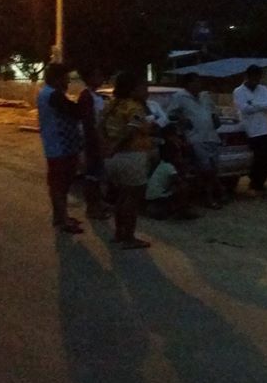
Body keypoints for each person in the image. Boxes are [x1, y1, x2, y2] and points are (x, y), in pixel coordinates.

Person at [101, 71, 153, 249]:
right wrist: (116, 146)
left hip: (112, 159)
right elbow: (131, 130)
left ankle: (119, 233)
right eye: (144, 87)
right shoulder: (134, 107)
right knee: (132, 199)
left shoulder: (111, 105)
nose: (147, 91)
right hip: (131, 156)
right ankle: (129, 237)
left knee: (121, 197)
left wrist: (107, 147)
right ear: (133, 90)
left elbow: (99, 127)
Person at [37, 63, 85, 234]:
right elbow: (75, 111)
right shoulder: (54, 95)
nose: (67, 82)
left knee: (59, 184)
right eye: (65, 78)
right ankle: (63, 220)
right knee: (60, 185)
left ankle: (60, 216)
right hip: (60, 146)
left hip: (58, 145)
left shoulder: (46, 93)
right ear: (57, 78)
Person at [168, 72, 223, 209]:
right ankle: (209, 198)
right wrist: (181, 119)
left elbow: (214, 112)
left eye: (199, 82)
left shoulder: (205, 96)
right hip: (195, 137)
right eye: (196, 82)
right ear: (188, 84)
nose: (199, 84)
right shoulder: (179, 97)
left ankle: (209, 194)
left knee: (213, 169)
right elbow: (170, 115)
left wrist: (215, 118)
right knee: (206, 169)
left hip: (211, 136)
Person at [233, 65, 267, 194]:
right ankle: (255, 184)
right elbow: (244, 109)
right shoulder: (239, 91)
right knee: (257, 159)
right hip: (250, 130)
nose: (256, 80)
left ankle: (259, 183)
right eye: (254, 77)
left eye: (258, 77)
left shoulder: (263, 89)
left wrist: (254, 104)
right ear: (247, 76)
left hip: (264, 129)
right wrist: (261, 106)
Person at [76, 66, 111, 220]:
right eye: (97, 76)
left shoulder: (96, 95)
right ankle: (92, 208)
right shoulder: (86, 96)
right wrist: (97, 141)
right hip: (92, 141)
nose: (101, 79)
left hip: (97, 138)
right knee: (92, 176)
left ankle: (98, 204)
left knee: (97, 175)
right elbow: (89, 123)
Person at [145, 134, 197, 221]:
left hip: (152, 193)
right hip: (158, 195)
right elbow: (179, 182)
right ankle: (182, 210)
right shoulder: (169, 167)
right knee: (184, 187)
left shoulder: (163, 164)